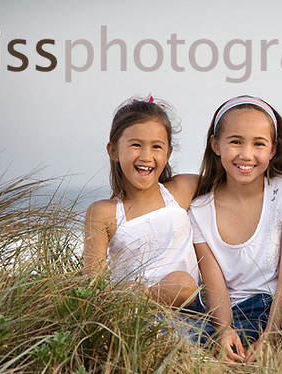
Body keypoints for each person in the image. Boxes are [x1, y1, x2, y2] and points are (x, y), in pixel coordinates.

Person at [188, 95, 282, 362]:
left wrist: (272, 335)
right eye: (235, 141)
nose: (246, 154)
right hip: (232, 313)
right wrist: (224, 330)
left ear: (272, 150)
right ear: (216, 145)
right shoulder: (198, 210)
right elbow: (215, 284)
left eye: (259, 144)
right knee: (165, 329)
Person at [83, 96, 202, 308]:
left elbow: (231, 180)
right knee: (132, 290)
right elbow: (93, 283)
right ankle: (141, 301)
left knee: (182, 283)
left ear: (168, 154)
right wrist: (130, 294)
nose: (146, 156)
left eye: (157, 147)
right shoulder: (103, 212)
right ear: (114, 151)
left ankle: (141, 297)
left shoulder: (181, 190)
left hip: (188, 305)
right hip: (132, 310)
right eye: (136, 145)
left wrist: (281, 168)